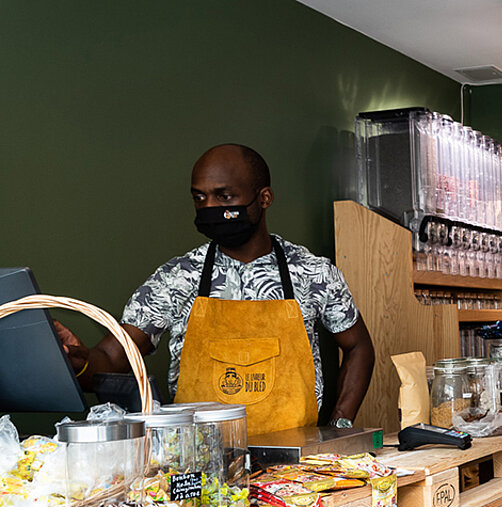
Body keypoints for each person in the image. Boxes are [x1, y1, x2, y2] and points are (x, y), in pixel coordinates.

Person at [57, 144, 375, 434]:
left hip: (296, 462)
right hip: (198, 464)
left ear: (264, 197)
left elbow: (359, 346)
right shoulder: (177, 277)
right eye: (200, 198)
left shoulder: (312, 272)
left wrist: (340, 426)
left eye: (224, 197)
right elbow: (113, 358)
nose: (209, 207)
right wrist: (79, 359)